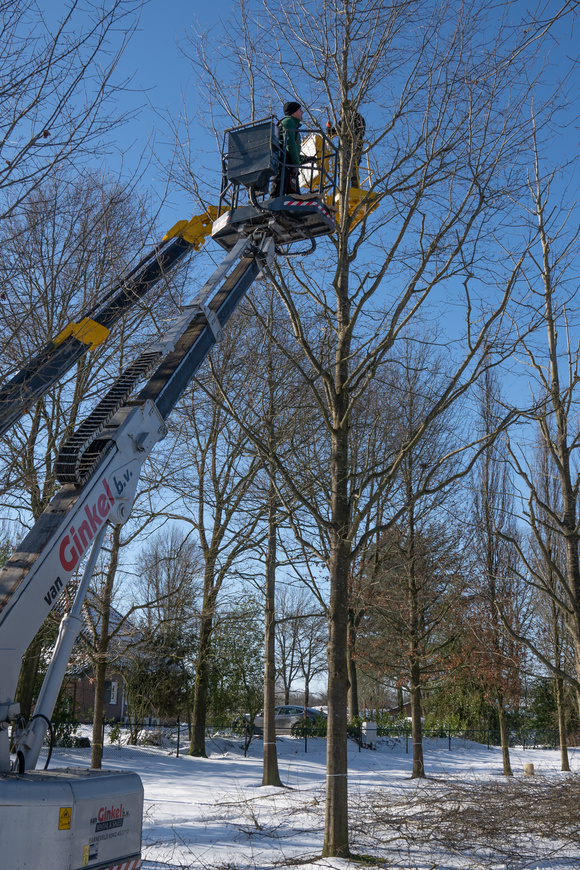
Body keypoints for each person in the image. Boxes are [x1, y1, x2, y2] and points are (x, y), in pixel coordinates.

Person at [326, 101, 366, 188]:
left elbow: (361, 131)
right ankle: (342, 187)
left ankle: (354, 186)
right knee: (341, 167)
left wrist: (353, 134)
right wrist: (328, 127)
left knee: (353, 166)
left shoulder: (357, 118)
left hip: (355, 146)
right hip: (343, 148)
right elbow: (332, 133)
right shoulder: (342, 123)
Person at [271, 101, 303, 197]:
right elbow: (289, 143)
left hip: (287, 163)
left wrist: (303, 159)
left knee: (293, 195)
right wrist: (296, 163)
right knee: (278, 193)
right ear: (294, 113)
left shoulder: (291, 123)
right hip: (284, 162)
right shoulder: (289, 122)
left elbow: (291, 148)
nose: (302, 112)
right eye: (300, 110)